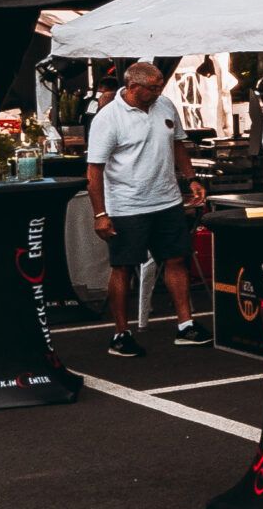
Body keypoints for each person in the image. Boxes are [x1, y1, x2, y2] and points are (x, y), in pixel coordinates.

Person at [85, 61, 208, 357]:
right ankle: (120, 334)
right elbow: (94, 171)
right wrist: (100, 214)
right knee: (123, 267)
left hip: (167, 200)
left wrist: (191, 178)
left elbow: (177, 145)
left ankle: (185, 325)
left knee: (176, 259)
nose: (158, 92)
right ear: (132, 87)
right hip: (127, 206)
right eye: (153, 88)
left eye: (160, 86)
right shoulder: (108, 118)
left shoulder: (164, 106)